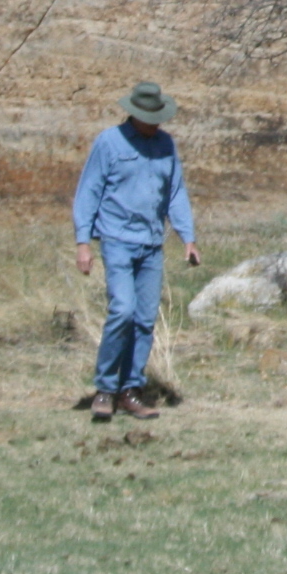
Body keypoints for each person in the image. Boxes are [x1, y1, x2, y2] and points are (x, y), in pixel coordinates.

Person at [70, 80, 199, 422]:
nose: (155, 123)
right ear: (133, 113)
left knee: (144, 320)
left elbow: (175, 193)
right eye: (149, 116)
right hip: (116, 241)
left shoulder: (165, 145)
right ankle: (105, 389)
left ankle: (131, 390)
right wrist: (83, 243)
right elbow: (88, 191)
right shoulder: (109, 143)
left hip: (151, 244)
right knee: (122, 312)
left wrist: (188, 237)